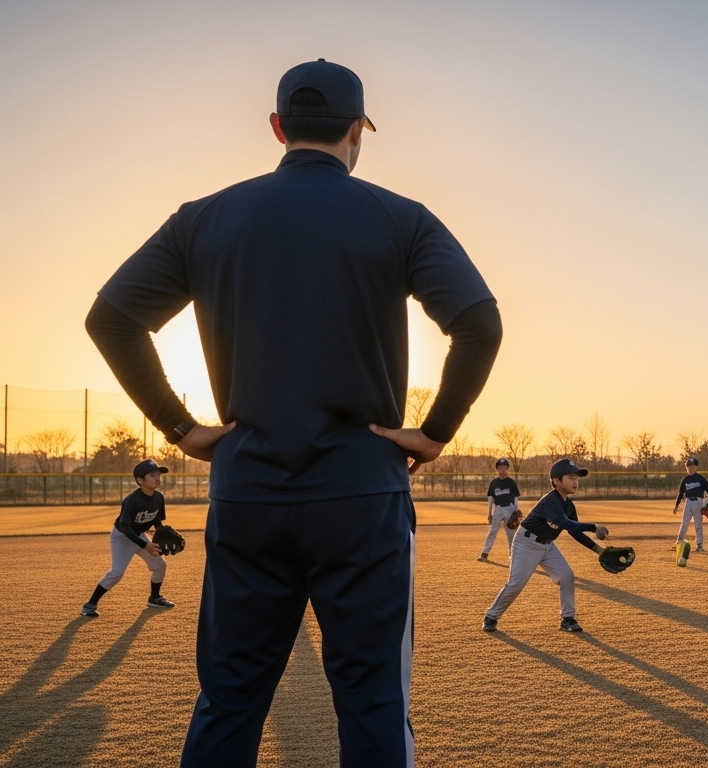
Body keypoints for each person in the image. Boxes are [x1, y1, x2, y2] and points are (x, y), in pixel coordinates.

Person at [87, 59, 503, 766]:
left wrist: (181, 429)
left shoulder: (203, 219)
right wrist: (433, 434)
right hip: (362, 496)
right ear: (356, 131)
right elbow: (479, 324)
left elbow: (113, 317)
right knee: (373, 704)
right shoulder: (401, 217)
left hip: (248, 491)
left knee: (229, 700)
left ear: (278, 128)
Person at [483, 459, 610, 633]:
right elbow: (565, 523)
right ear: (556, 481)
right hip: (526, 543)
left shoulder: (568, 505)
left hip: (547, 545)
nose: (575, 481)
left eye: (577, 477)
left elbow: (574, 530)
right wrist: (593, 527)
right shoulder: (551, 501)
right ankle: (491, 616)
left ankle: (568, 619)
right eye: (571, 477)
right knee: (516, 584)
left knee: (566, 576)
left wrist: (598, 550)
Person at [80, 459, 177, 617]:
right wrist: (145, 545)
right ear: (140, 480)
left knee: (159, 565)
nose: (157, 478)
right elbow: (125, 526)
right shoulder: (132, 500)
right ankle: (89, 605)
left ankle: (154, 598)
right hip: (122, 538)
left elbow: (155, 519)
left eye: (159, 475)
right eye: (152, 475)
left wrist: (161, 531)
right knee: (117, 572)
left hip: (138, 536)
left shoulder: (159, 498)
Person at [479, 458, 521, 562]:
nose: (502, 470)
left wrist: (516, 511)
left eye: (504, 468)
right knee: (492, 531)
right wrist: (489, 513)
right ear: (497, 469)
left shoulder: (511, 482)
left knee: (510, 532)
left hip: (510, 508)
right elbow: (491, 499)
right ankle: (484, 553)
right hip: (498, 509)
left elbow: (515, 498)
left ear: (507, 469)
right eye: (500, 468)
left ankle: (512, 554)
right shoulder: (494, 483)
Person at [672, 456, 708, 553]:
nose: (691, 468)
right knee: (684, 523)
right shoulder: (685, 480)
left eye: (693, 466)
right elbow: (680, 494)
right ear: (686, 468)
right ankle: (678, 543)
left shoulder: (701, 479)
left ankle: (699, 546)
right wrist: (676, 506)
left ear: (697, 467)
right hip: (688, 502)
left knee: (698, 525)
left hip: (698, 502)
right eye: (689, 466)